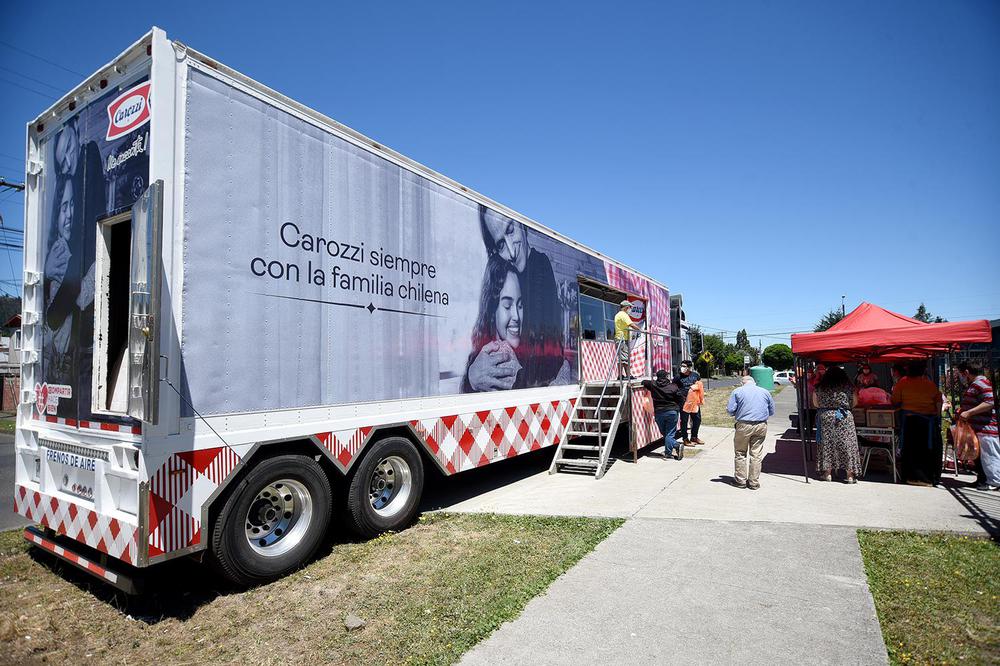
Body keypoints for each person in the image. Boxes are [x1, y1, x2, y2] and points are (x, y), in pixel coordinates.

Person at [466, 207, 569, 391]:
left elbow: (548, 361)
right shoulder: (499, 272)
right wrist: (472, 375)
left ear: (521, 224)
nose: (512, 252)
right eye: (500, 244)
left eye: (510, 230)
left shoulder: (540, 268)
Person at [462, 257, 524, 392]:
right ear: (492, 310)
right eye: (507, 306)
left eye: (520, 305)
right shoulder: (493, 357)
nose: (517, 316)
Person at [891, 359, 944, 486]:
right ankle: (928, 478)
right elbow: (938, 400)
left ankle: (912, 478)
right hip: (928, 423)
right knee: (928, 452)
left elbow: (895, 400)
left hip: (911, 422)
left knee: (911, 452)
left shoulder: (902, 383)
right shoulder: (929, 384)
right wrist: (937, 416)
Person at [812, 366, 862, 483]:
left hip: (826, 417)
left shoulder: (819, 387)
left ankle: (827, 474)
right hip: (845, 417)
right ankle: (850, 475)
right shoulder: (849, 387)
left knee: (827, 444)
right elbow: (855, 402)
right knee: (847, 444)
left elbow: (815, 404)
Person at [955, 361, 999, 491]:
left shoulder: (981, 384)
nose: (960, 377)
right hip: (978, 428)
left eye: (960, 374)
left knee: (989, 456)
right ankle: (983, 479)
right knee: (981, 457)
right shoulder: (975, 384)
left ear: (966, 372)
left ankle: (994, 482)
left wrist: (969, 412)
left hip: (986, 429)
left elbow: (990, 402)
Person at [726, 376, 775, 489]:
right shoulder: (765, 392)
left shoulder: (737, 391)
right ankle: (753, 482)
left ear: (742, 383)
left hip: (744, 425)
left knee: (740, 452)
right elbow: (772, 410)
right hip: (761, 425)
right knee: (756, 454)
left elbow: (730, 410)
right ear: (754, 382)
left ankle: (741, 480)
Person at [641, 370, 685, 459]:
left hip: (659, 412)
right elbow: (681, 399)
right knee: (669, 433)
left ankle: (668, 452)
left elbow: (643, 382)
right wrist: (678, 408)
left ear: (657, 377)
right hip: (672, 412)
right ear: (666, 377)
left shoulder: (653, 385)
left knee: (665, 433)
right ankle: (676, 445)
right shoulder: (673, 386)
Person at [614, 300, 645, 380]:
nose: (630, 309)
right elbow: (631, 324)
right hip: (622, 338)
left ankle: (621, 375)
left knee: (621, 358)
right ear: (626, 307)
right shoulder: (623, 315)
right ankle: (627, 375)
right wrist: (641, 330)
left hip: (619, 338)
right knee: (625, 357)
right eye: (630, 307)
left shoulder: (618, 314)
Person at [677, 360, 705, 445]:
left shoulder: (695, 375)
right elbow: (674, 388)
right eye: (682, 366)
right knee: (684, 420)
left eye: (684, 366)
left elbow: (700, 386)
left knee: (697, 419)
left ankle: (694, 437)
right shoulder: (678, 377)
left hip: (694, 401)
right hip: (684, 401)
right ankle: (685, 439)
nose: (682, 368)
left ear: (689, 367)